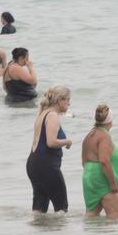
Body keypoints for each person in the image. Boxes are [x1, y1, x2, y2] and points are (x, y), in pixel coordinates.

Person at [26, 85, 74, 213]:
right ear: (60, 100)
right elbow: (51, 142)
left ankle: (38, 232)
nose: (69, 103)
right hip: (46, 166)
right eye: (68, 100)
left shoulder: (42, 114)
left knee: (39, 206)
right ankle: (61, 233)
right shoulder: (52, 115)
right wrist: (67, 141)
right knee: (62, 207)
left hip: (33, 165)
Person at [80, 103, 118, 218]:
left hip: (88, 177)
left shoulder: (89, 135)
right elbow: (104, 161)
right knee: (114, 218)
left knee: (91, 216)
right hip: (102, 179)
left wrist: (92, 177)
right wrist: (113, 185)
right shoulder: (104, 136)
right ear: (110, 121)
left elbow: (84, 161)